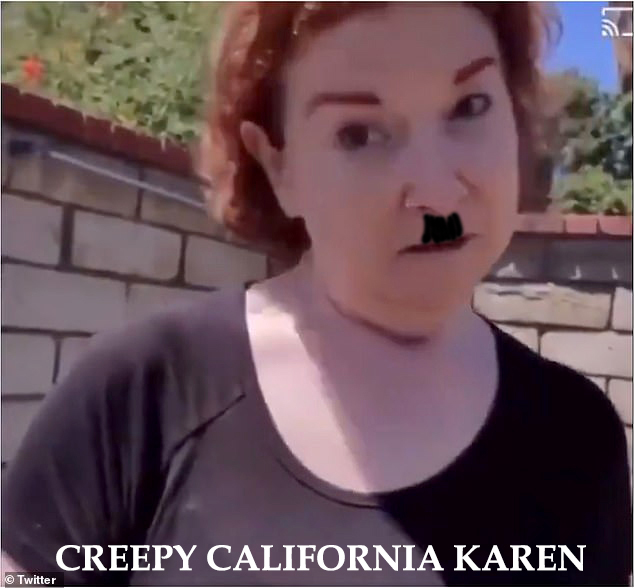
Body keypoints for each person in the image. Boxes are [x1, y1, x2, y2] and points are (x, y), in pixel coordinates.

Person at [2, 2, 631, 586]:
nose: (437, 192)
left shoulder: (579, 438)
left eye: (469, 107)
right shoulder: (143, 394)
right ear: (278, 166)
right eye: (359, 134)